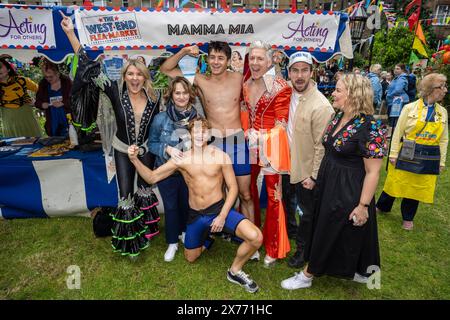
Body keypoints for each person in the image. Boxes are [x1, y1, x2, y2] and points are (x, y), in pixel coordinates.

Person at [61, 12, 161, 258]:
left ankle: (146, 230)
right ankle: (130, 241)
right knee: (126, 194)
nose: (135, 78)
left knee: (146, 190)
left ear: (144, 77)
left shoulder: (155, 98)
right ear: (124, 76)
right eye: (130, 74)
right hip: (122, 150)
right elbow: (89, 66)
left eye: (139, 75)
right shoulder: (115, 92)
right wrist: (70, 33)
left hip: (146, 151)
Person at [128, 117, 263, 293]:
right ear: (190, 134)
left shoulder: (221, 156)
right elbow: (152, 178)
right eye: (196, 131)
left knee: (256, 237)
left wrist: (222, 216)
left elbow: (233, 188)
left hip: (218, 211)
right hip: (196, 215)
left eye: (204, 131)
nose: (200, 134)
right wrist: (134, 160)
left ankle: (235, 270)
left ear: (209, 134)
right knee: (191, 257)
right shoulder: (181, 159)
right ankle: (207, 238)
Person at [281, 74, 387, 290]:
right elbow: (327, 150)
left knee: (329, 230)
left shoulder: (370, 128)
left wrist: (363, 205)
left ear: (353, 95)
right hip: (328, 182)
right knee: (341, 230)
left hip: (347, 188)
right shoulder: (338, 117)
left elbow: (373, 172)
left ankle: (307, 275)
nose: (333, 94)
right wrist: (316, 179)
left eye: (338, 90)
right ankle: (359, 269)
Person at [160, 42, 254, 235]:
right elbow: (165, 68)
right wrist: (185, 51)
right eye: (212, 57)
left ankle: (250, 238)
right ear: (207, 59)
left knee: (245, 193)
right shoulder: (200, 80)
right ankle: (225, 231)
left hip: (236, 141)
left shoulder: (239, 79)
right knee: (219, 194)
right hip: (214, 143)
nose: (216, 62)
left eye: (221, 58)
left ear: (228, 60)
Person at [242, 40, 292, 267]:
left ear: (270, 61)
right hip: (250, 147)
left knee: (274, 197)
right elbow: (245, 110)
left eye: (260, 58)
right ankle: (254, 240)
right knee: (249, 192)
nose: (254, 62)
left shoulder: (281, 87)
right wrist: (246, 130)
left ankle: (273, 245)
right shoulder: (246, 84)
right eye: (252, 58)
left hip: (272, 148)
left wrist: (261, 136)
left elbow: (282, 123)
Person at [376, 73, 448, 230]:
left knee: (416, 187)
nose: (445, 90)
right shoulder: (410, 108)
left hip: (428, 156)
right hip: (408, 151)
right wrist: (393, 154)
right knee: (396, 181)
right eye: (441, 87)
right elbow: (398, 132)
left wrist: (441, 161)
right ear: (430, 89)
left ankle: (408, 217)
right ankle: (383, 206)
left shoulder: (442, 112)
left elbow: (443, 139)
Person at [284, 51, 335, 269]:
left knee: (306, 213)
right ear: (289, 73)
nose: (300, 76)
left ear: (312, 72)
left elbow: (321, 146)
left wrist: (313, 176)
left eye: (305, 70)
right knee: (287, 204)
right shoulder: (285, 94)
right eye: (295, 70)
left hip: (305, 171)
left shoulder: (321, 105)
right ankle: (291, 235)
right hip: (286, 165)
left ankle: (303, 251)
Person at [148, 76, 198, 261]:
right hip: (166, 170)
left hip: (189, 172)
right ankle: (172, 242)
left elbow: (204, 142)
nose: (181, 96)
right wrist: (166, 148)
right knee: (170, 206)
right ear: (171, 94)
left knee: (186, 204)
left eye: (185, 92)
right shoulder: (161, 119)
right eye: (178, 93)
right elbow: (151, 142)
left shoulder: (197, 118)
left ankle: (184, 232)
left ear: (190, 95)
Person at [0, 55, 42, 137]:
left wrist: (37, 103)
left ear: (8, 69)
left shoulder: (22, 80)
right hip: (9, 123)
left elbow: (42, 91)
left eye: (0, 66)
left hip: (27, 118)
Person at [35, 59, 73, 137]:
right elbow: (37, 102)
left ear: (58, 74)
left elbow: (75, 100)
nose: (48, 79)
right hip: (52, 120)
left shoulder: (67, 82)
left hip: (68, 117)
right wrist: (42, 105)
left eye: (51, 77)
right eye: (46, 77)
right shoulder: (43, 84)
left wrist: (63, 103)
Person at [386, 63, 409, 130]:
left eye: (398, 69)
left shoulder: (402, 78)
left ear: (402, 70)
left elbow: (398, 90)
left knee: (395, 120)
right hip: (396, 100)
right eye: (395, 68)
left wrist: (389, 95)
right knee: (394, 120)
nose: (395, 70)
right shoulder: (397, 78)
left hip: (400, 101)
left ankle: (394, 135)